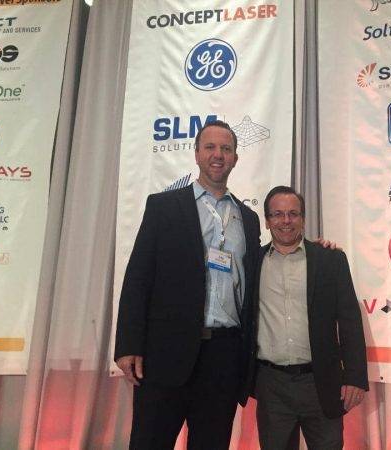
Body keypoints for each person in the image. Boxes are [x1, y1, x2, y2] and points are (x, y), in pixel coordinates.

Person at [114, 120, 261, 449]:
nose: (218, 155)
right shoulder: (163, 207)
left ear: (235, 158)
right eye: (210, 147)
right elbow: (138, 277)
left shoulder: (248, 219)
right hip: (165, 353)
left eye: (226, 149)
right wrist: (128, 344)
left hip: (224, 357)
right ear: (196, 154)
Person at [252, 186, 369, 450]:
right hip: (271, 385)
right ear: (267, 221)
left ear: (303, 218)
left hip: (321, 382)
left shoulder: (330, 260)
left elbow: (349, 321)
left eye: (293, 214)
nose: (286, 221)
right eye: (278, 214)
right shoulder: (252, 262)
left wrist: (355, 377)